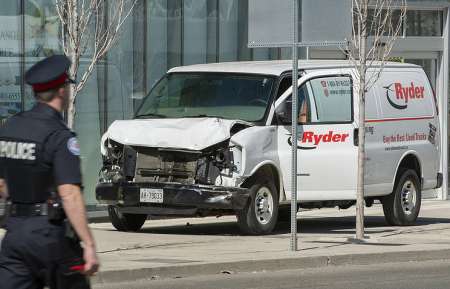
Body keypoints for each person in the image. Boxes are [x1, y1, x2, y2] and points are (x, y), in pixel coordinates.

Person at [0, 55, 99, 289]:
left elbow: (2, 185)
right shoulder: (59, 136)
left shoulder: (10, 128)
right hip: (50, 237)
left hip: (15, 233)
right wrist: (89, 245)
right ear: (62, 91)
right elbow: (70, 195)